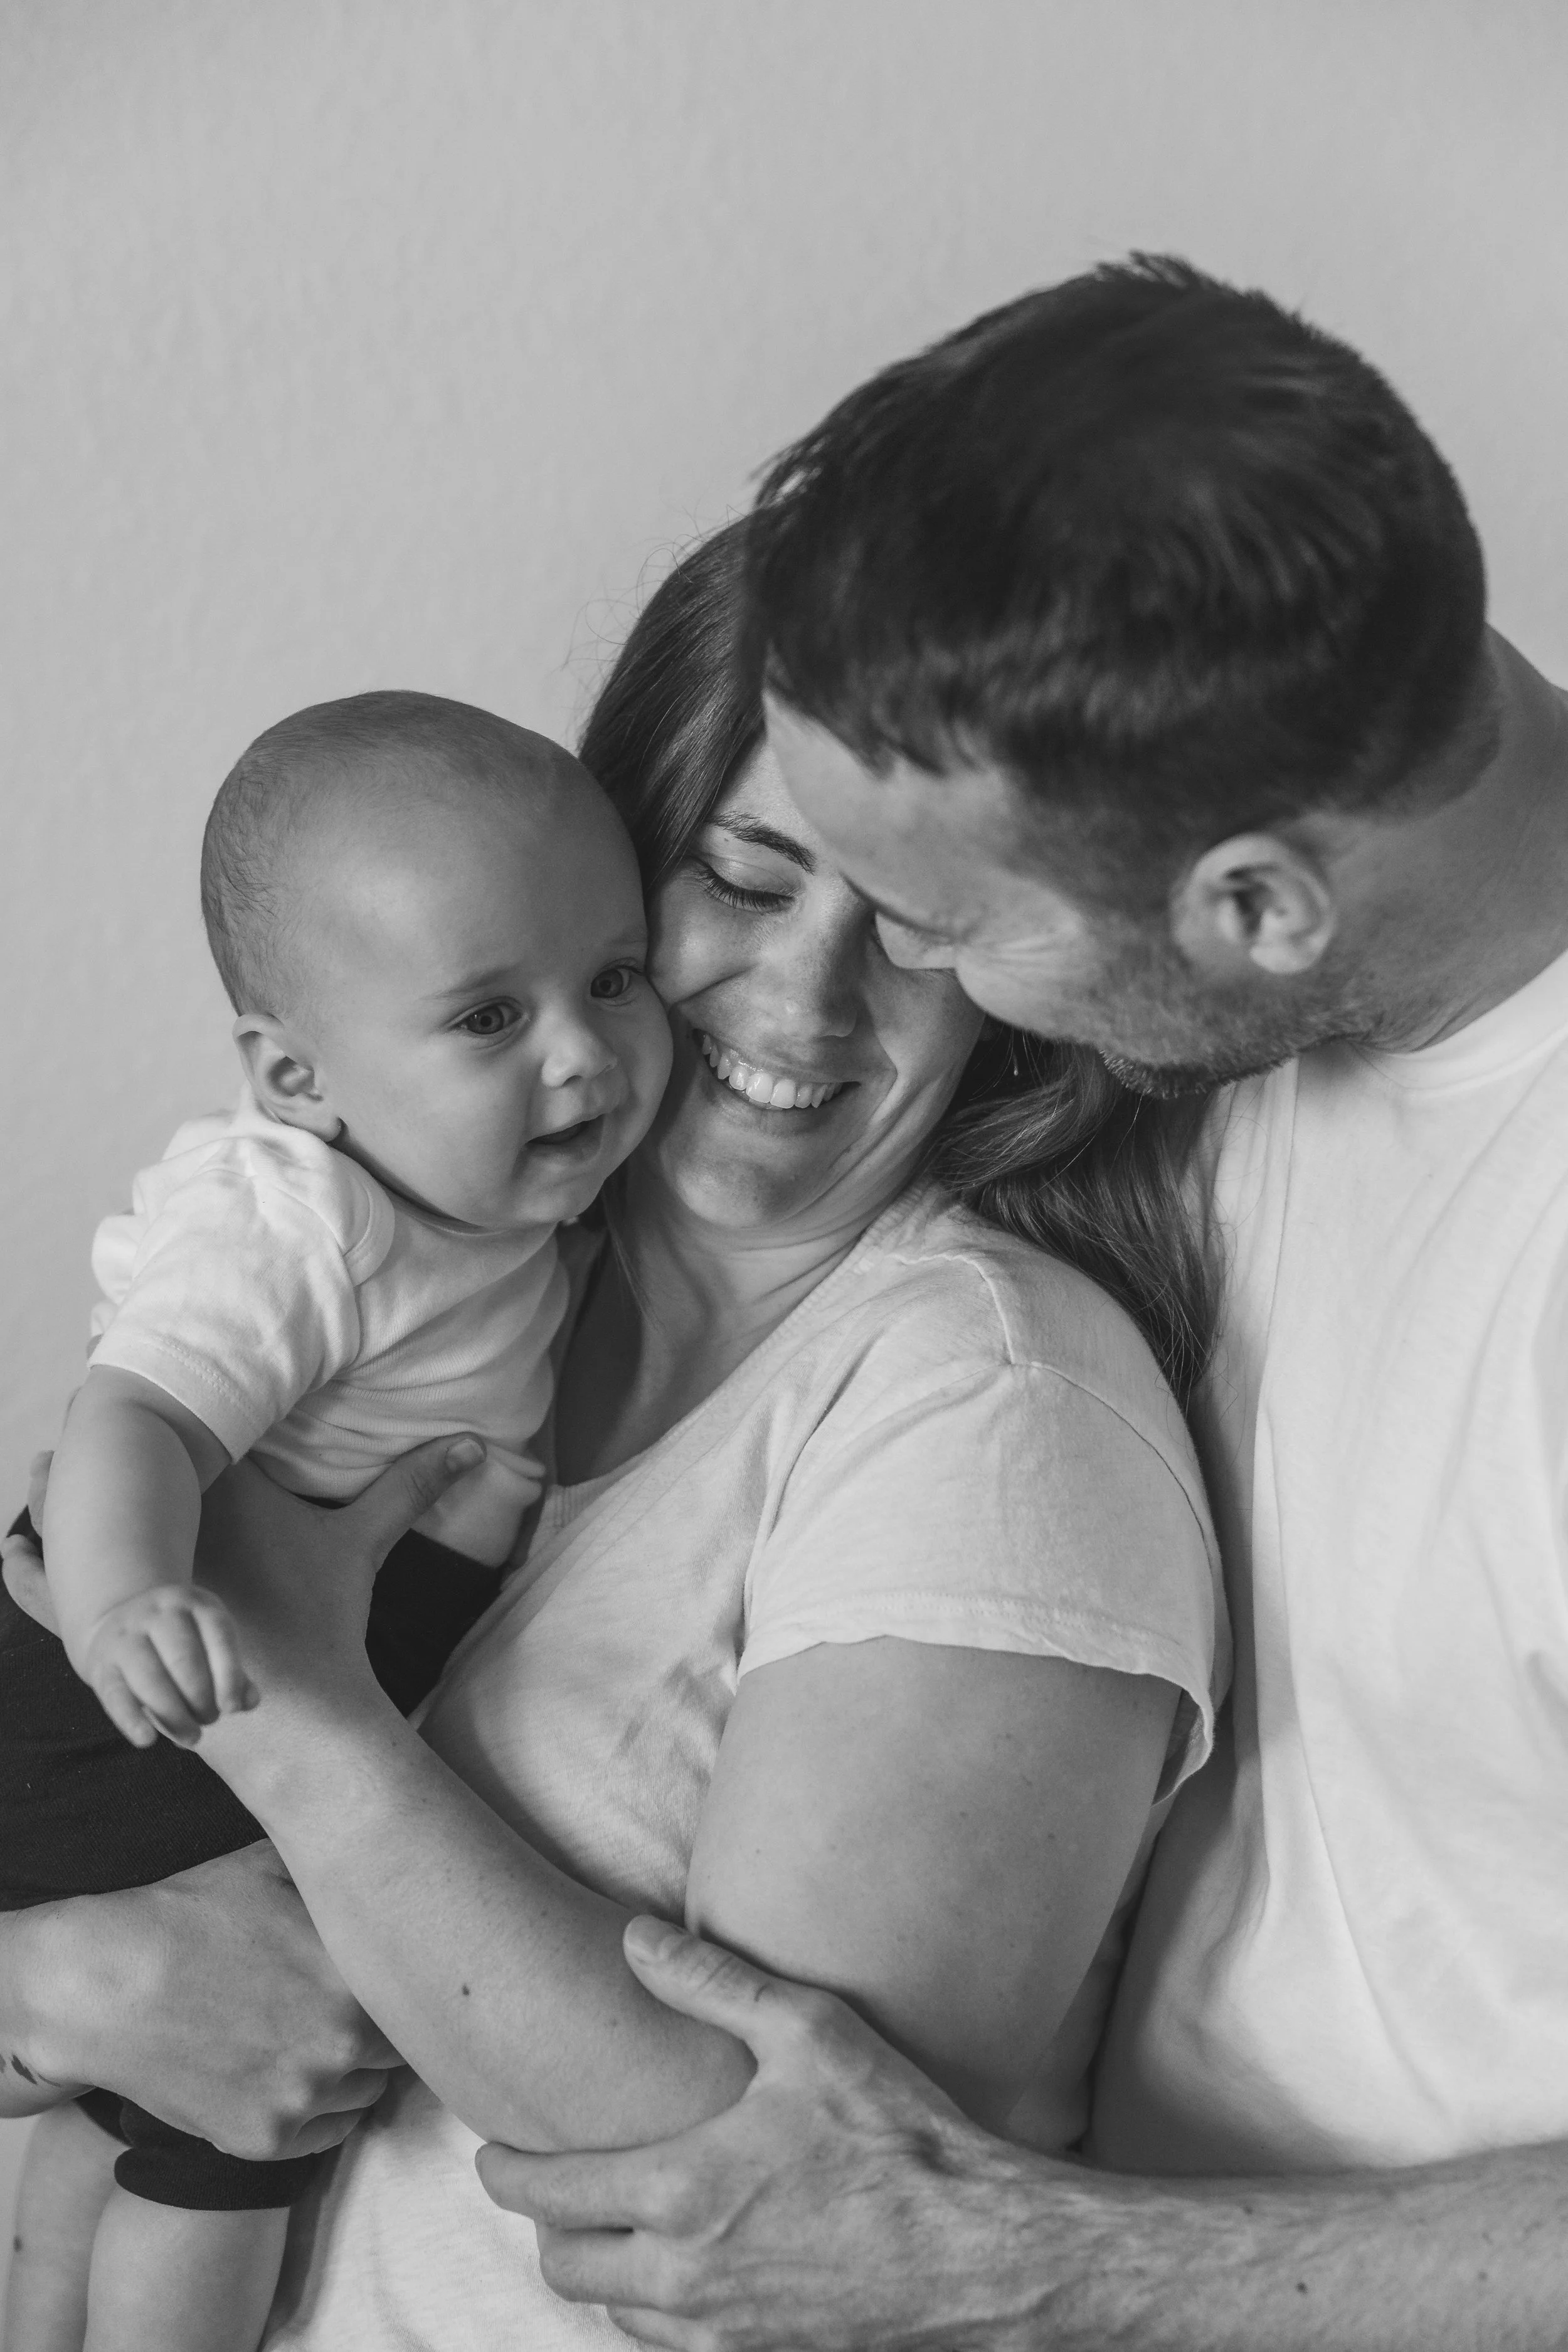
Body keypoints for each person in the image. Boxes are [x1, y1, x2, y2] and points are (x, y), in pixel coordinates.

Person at [472, 258, 1568, 2348]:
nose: (849, 987)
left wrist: (1049, 2264)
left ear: (1251, 905)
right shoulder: (1243, 1005)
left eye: (925, 921)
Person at [0, 521, 1225, 2351]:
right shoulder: (428, 1276)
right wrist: (64, 1988)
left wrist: (293, 1712)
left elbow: (793, 2227)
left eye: (910, 920)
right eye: (741, 878)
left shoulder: (984, 1405)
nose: (804, 999)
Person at [1, 689, 671, 2351]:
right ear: (297, 1075)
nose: (581, 1052)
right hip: (114, 1693)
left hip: (217, 1687)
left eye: (613, 977)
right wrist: (124, 1603)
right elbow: (133, 1415)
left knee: (147, 2102)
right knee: (245, 2130)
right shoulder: (301, 1213)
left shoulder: (516, 1204)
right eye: (489, 1014)